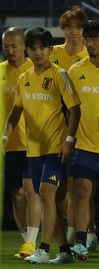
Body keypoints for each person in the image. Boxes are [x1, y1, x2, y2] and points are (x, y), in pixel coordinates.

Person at [3, 27, 81, 264]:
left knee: (47, 195)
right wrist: (5, 135)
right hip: (32, 151)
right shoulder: (24, 79)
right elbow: (15, 113)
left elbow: (75, 109)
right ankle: (65, 251)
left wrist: (69, 140)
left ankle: (44, 249)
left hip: (55, 148)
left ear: (49, 50)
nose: (38, 53)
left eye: (42, 48)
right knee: (51, 201)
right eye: (33, 48)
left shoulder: (60, 75)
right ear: (28, 50)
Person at [67, 19, 99, 260]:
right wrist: (69, 139)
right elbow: (73, 109)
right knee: (81, 191)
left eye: (95, 38)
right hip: (85, 145)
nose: (90, 43)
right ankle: (81, 243)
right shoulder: (76, 71)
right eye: (88, 38)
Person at [50, 6, 89, 247]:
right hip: (55, 128)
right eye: (69, 27)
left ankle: (81, 234)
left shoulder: (90, 56)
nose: (73, 32)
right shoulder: (52, 54)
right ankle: (75, 233)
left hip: (83, 129)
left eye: (78, 27)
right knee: (59, 189)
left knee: (80, 187)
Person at [1, 27, 40, 260]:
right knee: (16, 194)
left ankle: (34, 241)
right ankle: (27, 243)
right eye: (6, 46)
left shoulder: (34, 69)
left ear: (24, 45)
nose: (10, 50)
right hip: (9, 145)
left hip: (35, 143)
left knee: (31, 191)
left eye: (14, 46)